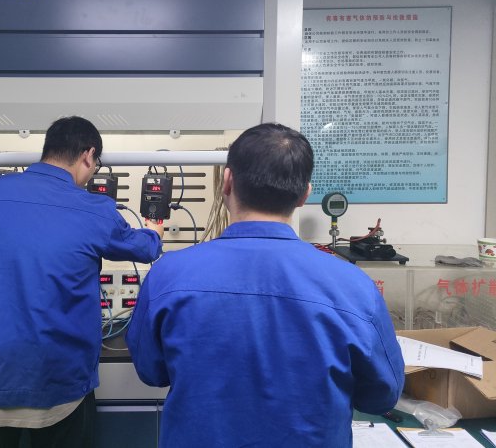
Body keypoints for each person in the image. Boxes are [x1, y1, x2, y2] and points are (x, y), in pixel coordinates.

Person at [126, 122, 404, 448]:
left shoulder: (168, 275)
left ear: (227, 182)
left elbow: (151, 372)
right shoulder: (354, 287)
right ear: (304, 195)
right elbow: (381, 396)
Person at [0, 116, 163, 448]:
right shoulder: (96, 209)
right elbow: (146, 248)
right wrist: (154, 231)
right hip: (62, 386)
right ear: (88, 155)